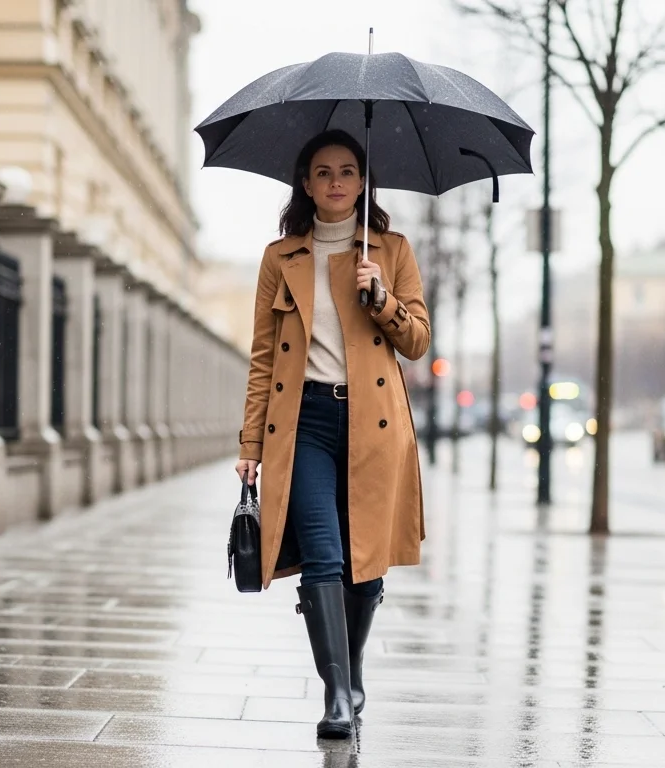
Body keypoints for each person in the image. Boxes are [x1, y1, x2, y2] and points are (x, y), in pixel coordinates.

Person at [235, 129, 431, 739]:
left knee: (365, 560)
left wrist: (382, 297)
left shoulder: (392, 251)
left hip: (373, 424)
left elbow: (419, 342)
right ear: (305, 183)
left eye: (348, 170)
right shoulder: (281, 258)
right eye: (323, 172)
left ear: (363, 181)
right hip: (306, 423)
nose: (337, 181)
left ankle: (351, 668)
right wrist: (249, 446)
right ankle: (337, 695)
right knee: (324, 553)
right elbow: (264, 357)